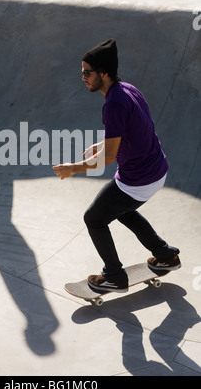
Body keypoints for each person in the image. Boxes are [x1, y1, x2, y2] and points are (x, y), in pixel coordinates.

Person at [53, 38, 181, 293]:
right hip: (157, 169)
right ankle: (165, 255)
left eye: (87, 73)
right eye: (82, 73)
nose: (83, 78)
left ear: (104, 73)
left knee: (94, 218)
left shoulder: (113, 104)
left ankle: (114, 276)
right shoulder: (128, 90)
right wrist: (100, 145)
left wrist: (73, 168)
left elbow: (109, 158)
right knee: (122, 210)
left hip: (139, 179)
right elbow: (129, 133)